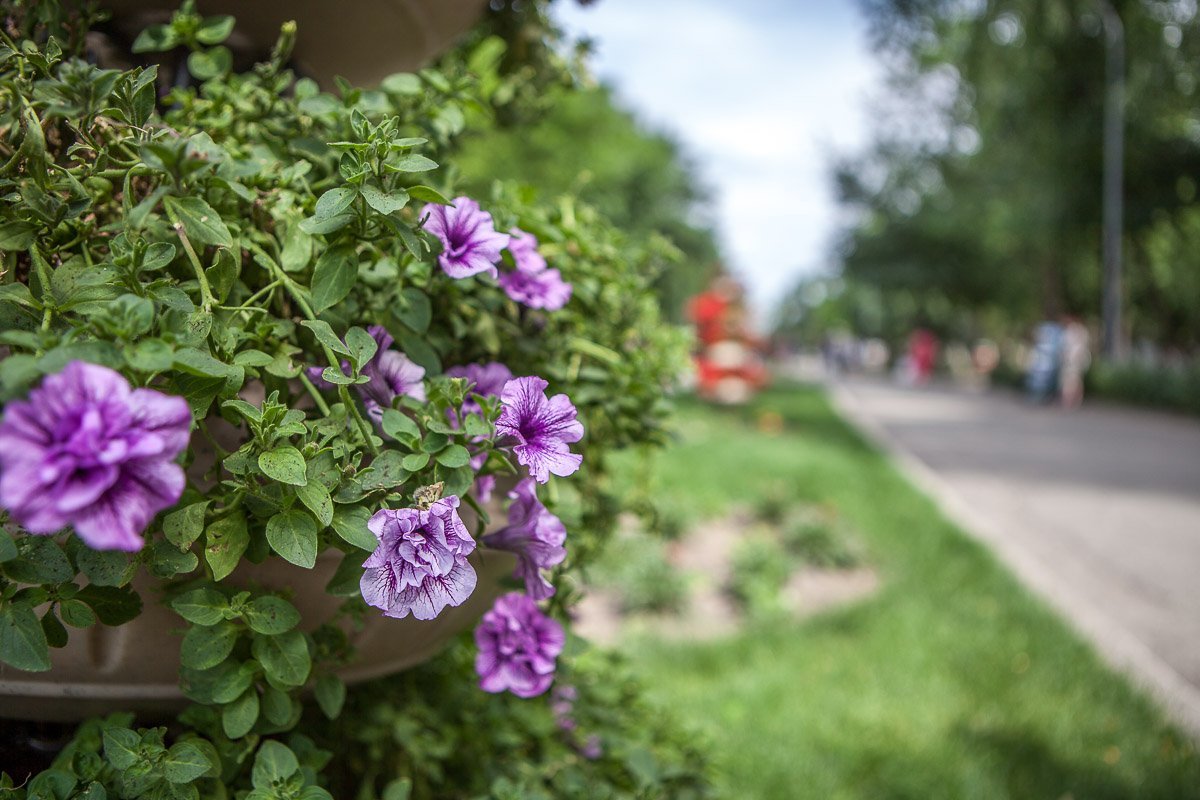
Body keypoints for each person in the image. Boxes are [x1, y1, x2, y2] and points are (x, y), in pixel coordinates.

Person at [1060, 315, 1091, 409]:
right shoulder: (1077, 332)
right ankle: (1071, 400)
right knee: (1072, 381)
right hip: (1071, 361)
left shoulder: (1077, 332)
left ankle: (1070, 400)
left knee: (1072, 381)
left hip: (1074, 361)